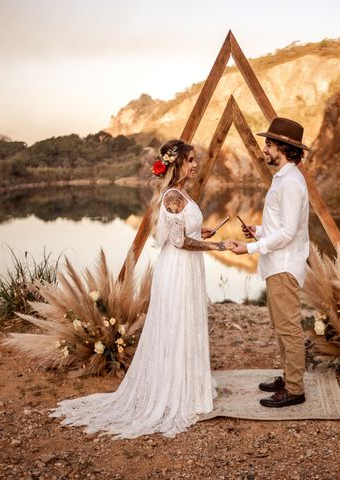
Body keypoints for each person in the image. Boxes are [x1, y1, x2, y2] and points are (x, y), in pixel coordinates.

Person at [50, 139, 232, 438]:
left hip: (187, 266)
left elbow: (183, 232)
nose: (195, 164)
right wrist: (219, 244)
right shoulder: (173, 195)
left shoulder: (180, 193)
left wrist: (202, 231)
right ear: (176, 164)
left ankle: (186, 383)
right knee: (176, 324)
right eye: (189, 160)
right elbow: (178, 241)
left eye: (194, 159)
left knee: (185, 323)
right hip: (178, 268)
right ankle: (175, 391)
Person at [229, 117, 310, 408]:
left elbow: (289, 232)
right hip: (278, 262)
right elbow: (283, 226)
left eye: (269, 143)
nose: (265, 148)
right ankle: (289, 377)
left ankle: (295, 389)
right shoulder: (285, 179)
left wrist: (250, 247)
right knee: (281, 325)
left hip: (284, 265)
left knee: (288, 328)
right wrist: (259, 231)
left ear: (282, 148)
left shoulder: (290, 183)